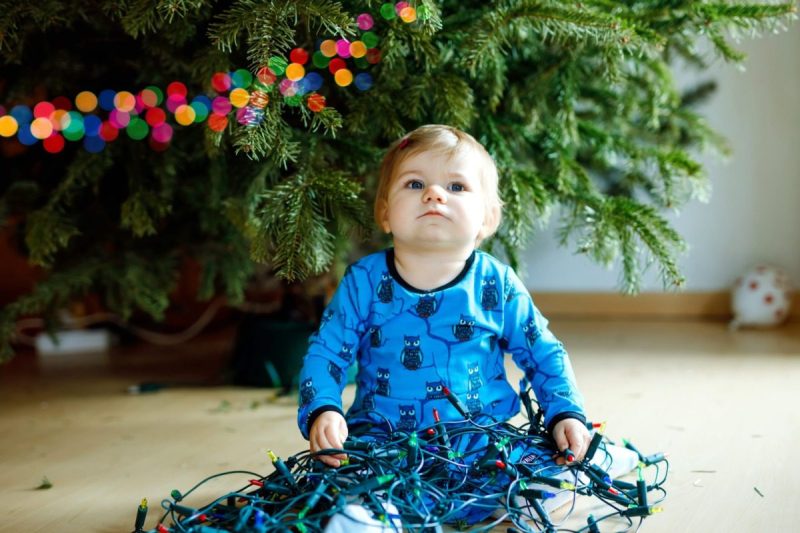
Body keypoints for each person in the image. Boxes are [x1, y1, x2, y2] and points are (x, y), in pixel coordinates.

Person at [296, 124, 591, 521]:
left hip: (482, 439)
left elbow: (544, 353)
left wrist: (565, 413)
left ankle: (529, 496)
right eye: (415, 184)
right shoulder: (364, 282)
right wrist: (323, 410)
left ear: (488, 218)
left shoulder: (497, 283)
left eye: (456, 187)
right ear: (385, 212)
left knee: (542, 470)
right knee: (347, 482)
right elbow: (327, 351)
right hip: (385, 441)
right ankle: (374, 514)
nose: (434, 194)